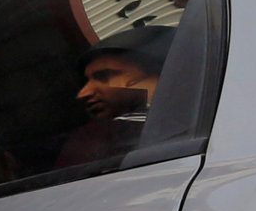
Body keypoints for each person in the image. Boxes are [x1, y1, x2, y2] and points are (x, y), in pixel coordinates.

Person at [52, 25, 172, 171]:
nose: (83, 93)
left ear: (158, 75)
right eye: (86, 82)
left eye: (104, 76)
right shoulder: (91, 140)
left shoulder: (193, 120)